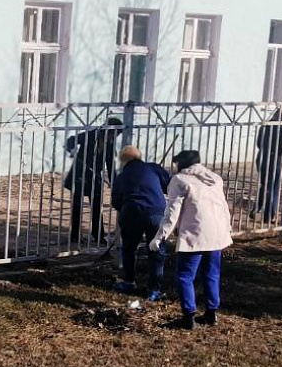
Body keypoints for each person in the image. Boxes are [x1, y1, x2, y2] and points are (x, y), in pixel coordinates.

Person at [149, 150, 233, 331]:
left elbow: (171, 213)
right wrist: (227, 229)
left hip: (195, 235)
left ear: (181, 164)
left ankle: (188, 317)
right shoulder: (214, 179)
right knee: (212, 274)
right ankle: (211, 313)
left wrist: (159, 237)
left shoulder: (180, 181)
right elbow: (224, 207)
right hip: (217, 235)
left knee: (185, 276)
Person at [109, 145, 170, 301]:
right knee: (156, 250)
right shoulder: (153, 168)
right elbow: (168, 186)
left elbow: (115, 201)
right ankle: (154, 290)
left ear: (123, 161)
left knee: (129, 249)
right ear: (139, 156)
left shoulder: (121, 176)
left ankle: (129, 281)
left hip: (131, 214)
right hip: (155, 213)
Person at [64, 117, 122, 244]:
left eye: (116, 135)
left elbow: (110, 164)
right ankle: (75, 236)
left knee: (97, 206)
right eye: (114, 134)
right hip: (79, 175)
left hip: (95, 177)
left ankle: (98, 235)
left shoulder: (110, 144)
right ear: (108, 130)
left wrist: (114, 182)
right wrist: (72, 150)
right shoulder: (90, 135)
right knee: (77, 206)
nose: (115, 137)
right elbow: (71, 141)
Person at [253, 106, 282, 225]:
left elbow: (259, 143)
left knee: (265, 184)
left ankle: (257, 208)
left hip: (262, 157)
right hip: (275, 158)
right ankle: (269, 214)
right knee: (273, 188)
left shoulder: (265, 126)